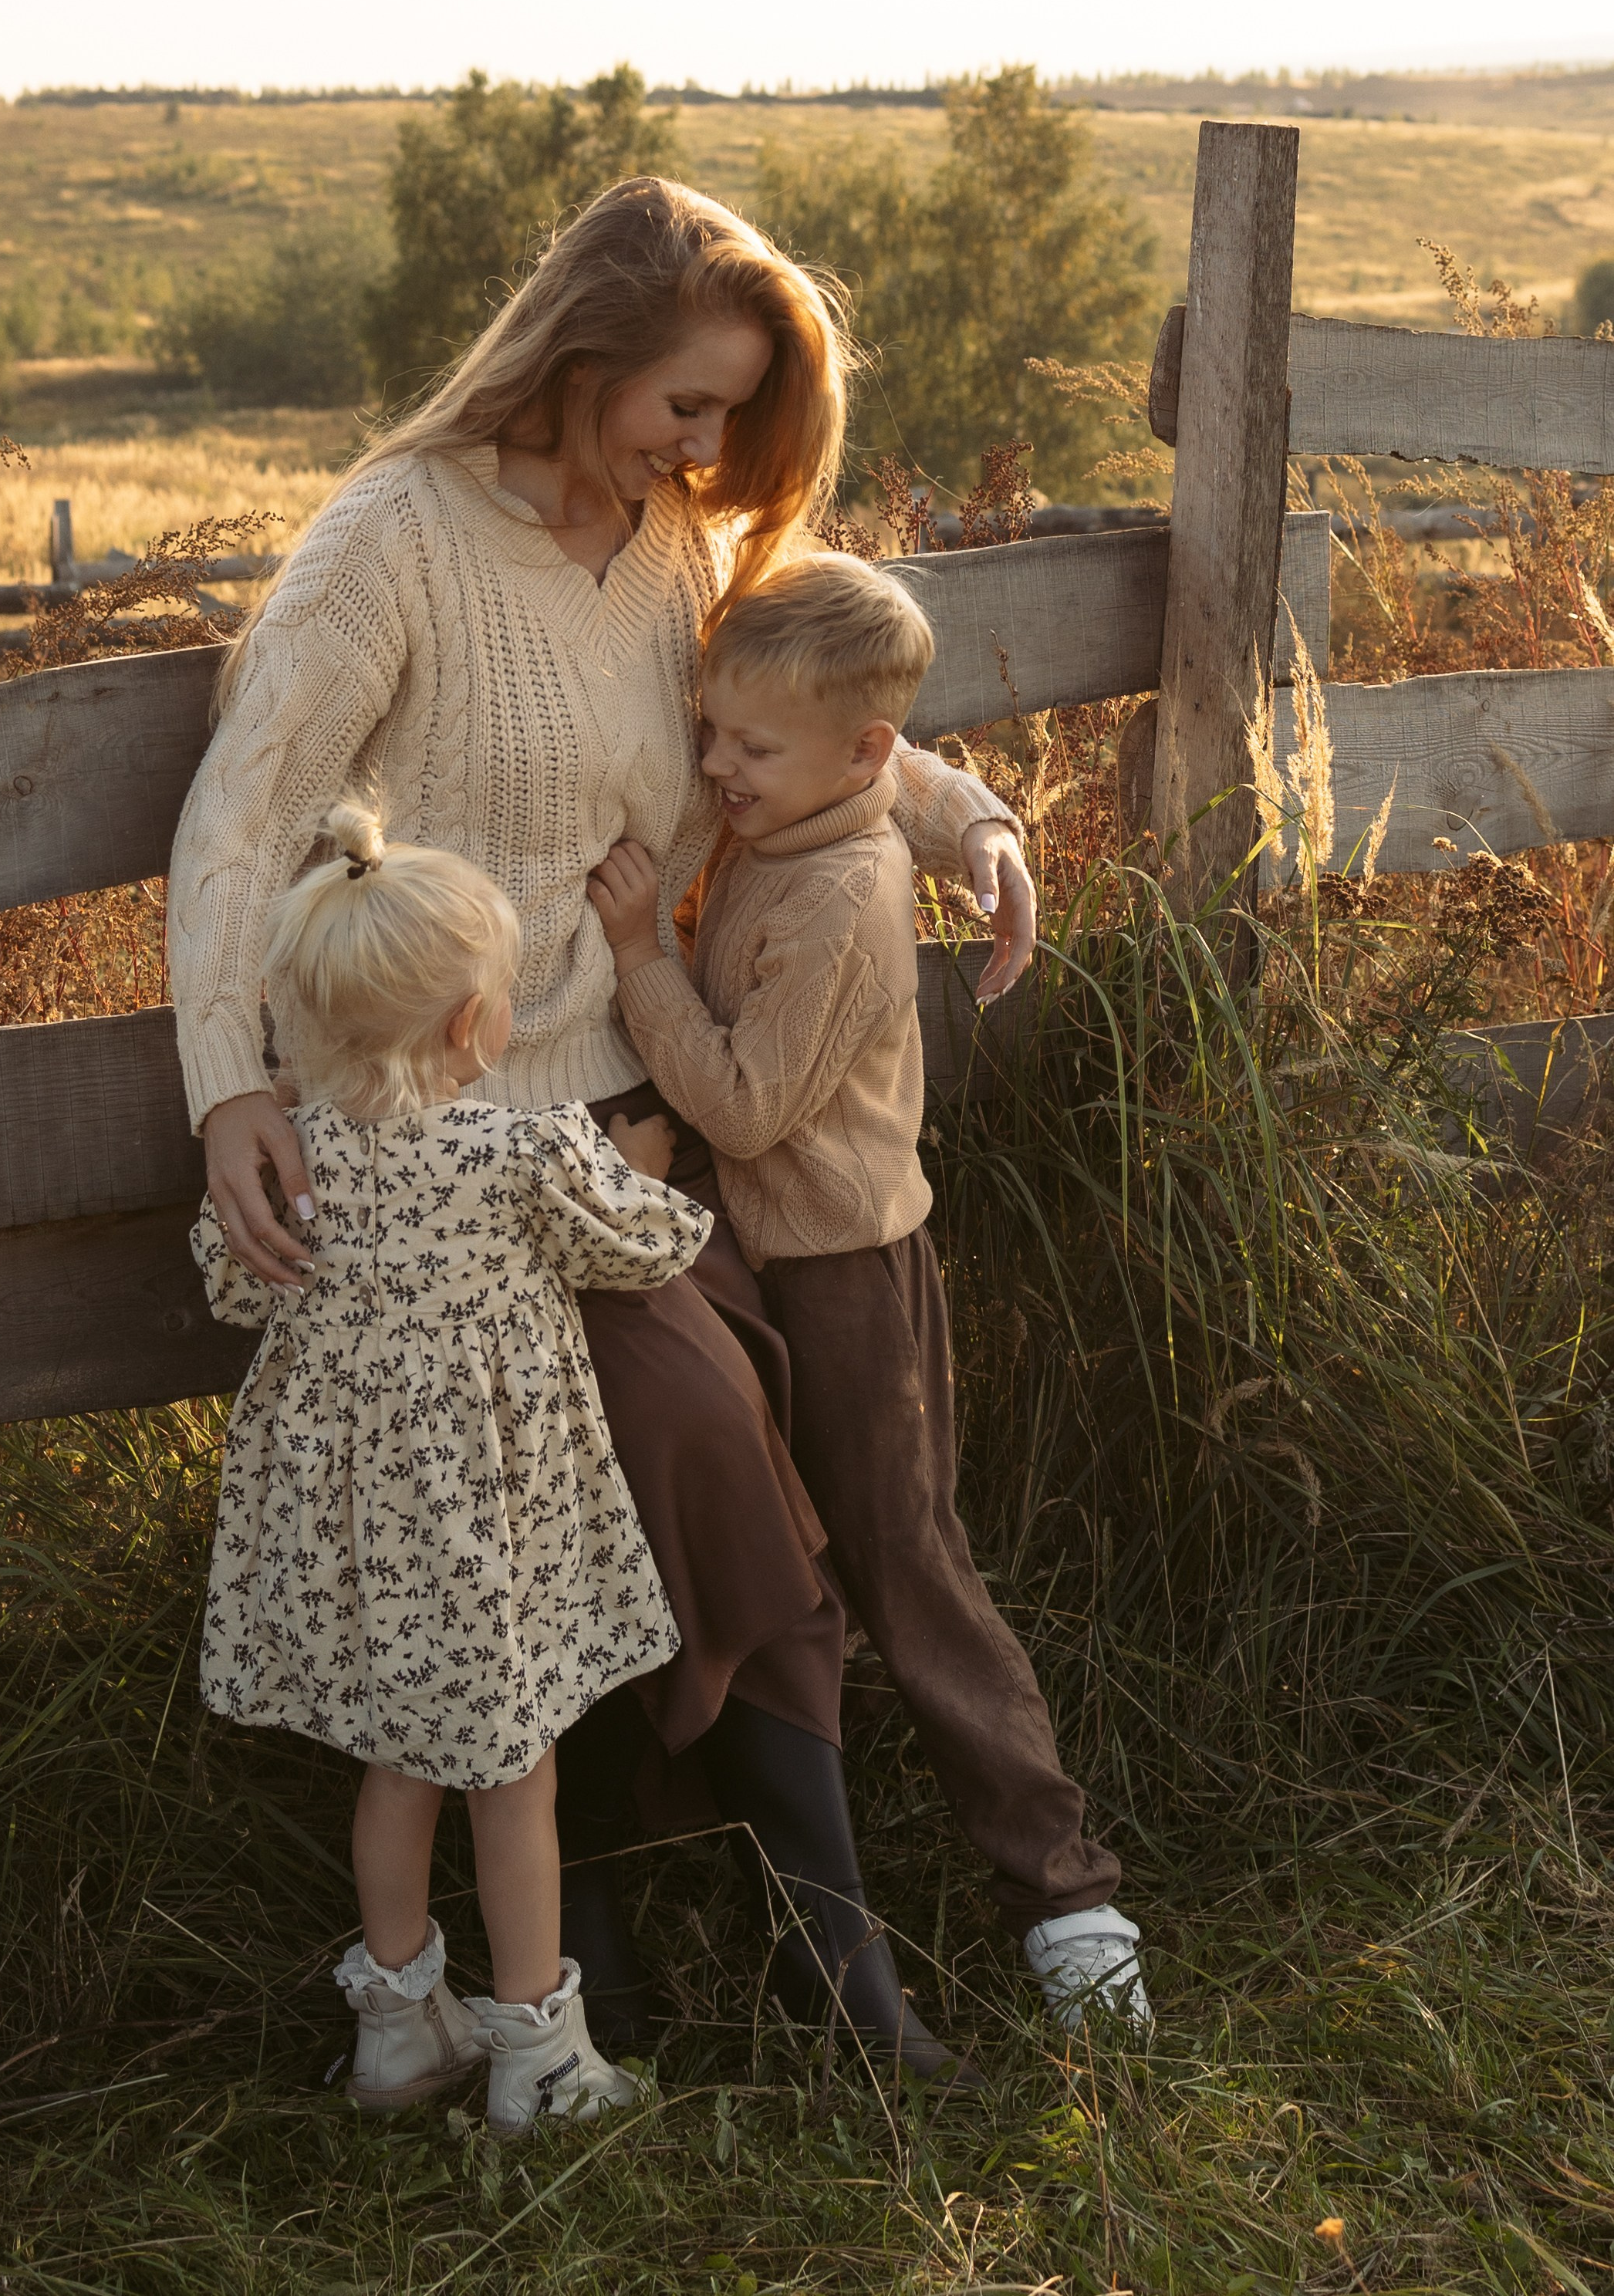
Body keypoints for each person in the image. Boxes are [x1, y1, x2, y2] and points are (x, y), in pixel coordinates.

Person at [168, 176, 1036, 2075]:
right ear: (578, 361)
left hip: (645, 1141)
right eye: (683, 404)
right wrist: (228, 1079)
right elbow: (243, 814)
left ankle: (759, 1954)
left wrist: (966, 822)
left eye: (726, 413)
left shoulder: (670, 546)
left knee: (747, 1482)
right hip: (457, 1158)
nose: (708, 448)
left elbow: (806, 719)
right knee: (710, 1457)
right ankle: (670, 1975)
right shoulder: (389, 542)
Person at [586, 553, 1151, 2031]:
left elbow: (748, 1103)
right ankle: (732, 1882)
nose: (713, 771)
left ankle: (1064, 1893)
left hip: (840, 1273)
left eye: (744, 751)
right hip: (750, 1259)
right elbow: (908, 773)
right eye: (707, 734)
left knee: (907, 1568)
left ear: (851, 754)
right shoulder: (811, 786)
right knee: (778, 1559)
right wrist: (989, 827)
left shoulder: (840, 894)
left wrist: (641, 953)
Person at [193, 797, 715, 2130]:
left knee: (395, 1763)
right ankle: (537, 2052)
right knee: (513, 1774)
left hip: (360, 1537)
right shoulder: (519, 1148)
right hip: (486, 1524)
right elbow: (647, 1246)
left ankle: (393, 2031)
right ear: (476, 1025)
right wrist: (644, 1163)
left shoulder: (291, 1164)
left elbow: (232, 1285)